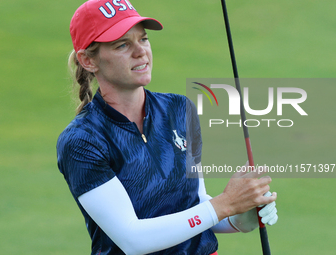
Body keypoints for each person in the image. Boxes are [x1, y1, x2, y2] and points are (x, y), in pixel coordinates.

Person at [57, 0, 278, 254]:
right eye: (122, 45)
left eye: (144, 39)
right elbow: (133, 239)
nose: (140, 52)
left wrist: (240, 218)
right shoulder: (82, 141)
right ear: (88, 60)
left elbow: (195, 204)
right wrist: (225, 205)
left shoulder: (179, 109)